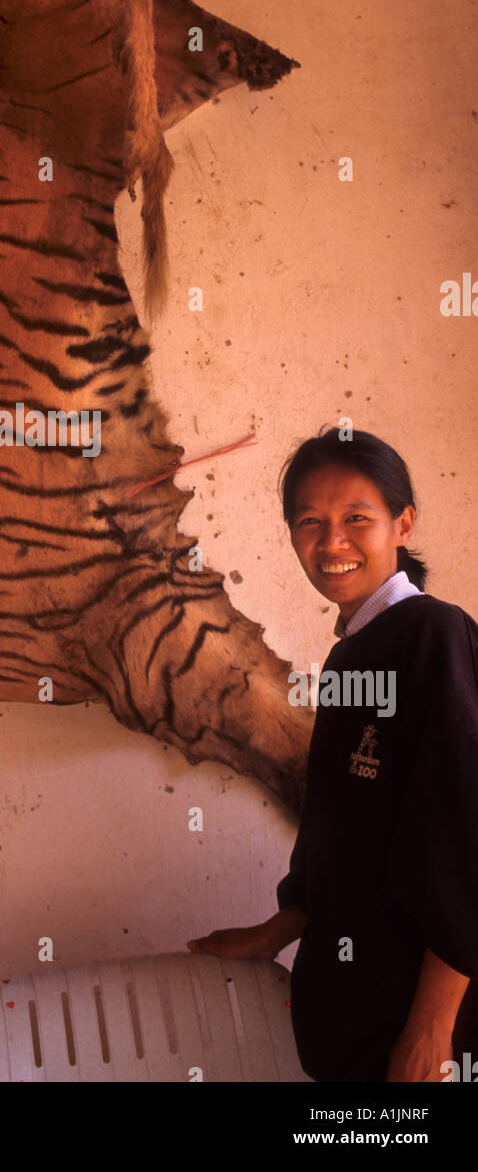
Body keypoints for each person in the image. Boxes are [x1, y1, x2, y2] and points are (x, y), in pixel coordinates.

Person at [187, 427, 478, 1082]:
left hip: (428, 1033)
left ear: (403, 523)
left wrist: (432, 1027)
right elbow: (340, 831)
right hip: (353, 1024)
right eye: (309, 521)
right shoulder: (352, 655)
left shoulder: (434, 636)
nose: (331, 543)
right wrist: (278, 929)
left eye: (356, 519)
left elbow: (465, 840)